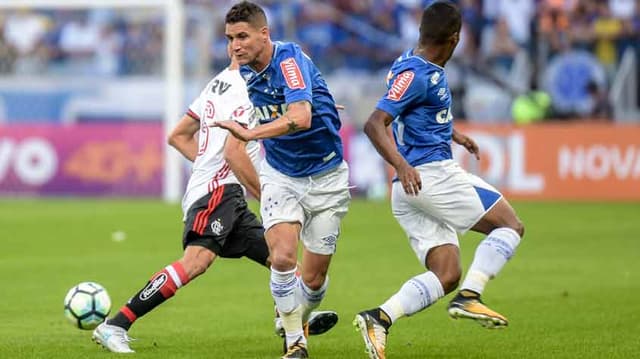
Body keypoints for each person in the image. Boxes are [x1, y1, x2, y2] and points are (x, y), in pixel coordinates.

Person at [91, 52, 337, 354]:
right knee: (196, 262)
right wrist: (268, 197)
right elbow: (235, 153)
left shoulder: (217, 83)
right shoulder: (247, 87)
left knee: (283, 261)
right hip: (219, 192)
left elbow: (178, 136)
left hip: (220, 190)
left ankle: (289, 323)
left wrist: (206, 164)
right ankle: (115, 325)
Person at [353, 2, 525, 358]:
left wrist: (454, 134)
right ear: (455, 38)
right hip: (429, 176)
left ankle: (379, 318)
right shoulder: (419, 74)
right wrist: (401, 164)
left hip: (410, 190)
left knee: (446, 272)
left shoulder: (410, 64)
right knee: (510, 225)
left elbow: (420, 115)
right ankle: (471, 295)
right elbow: (375, 123)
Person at [215, 2, 351, 358]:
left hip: (327, 177)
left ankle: (292, 319)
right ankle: (295, 343)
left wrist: (250, 133)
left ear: (265, 34)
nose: (235, 46)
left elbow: (301, 116)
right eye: (230, 39)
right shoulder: (243, 69)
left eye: (242, 36)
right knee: (282, 256)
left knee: (315, 280)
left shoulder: (289, 59)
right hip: (280, 174)